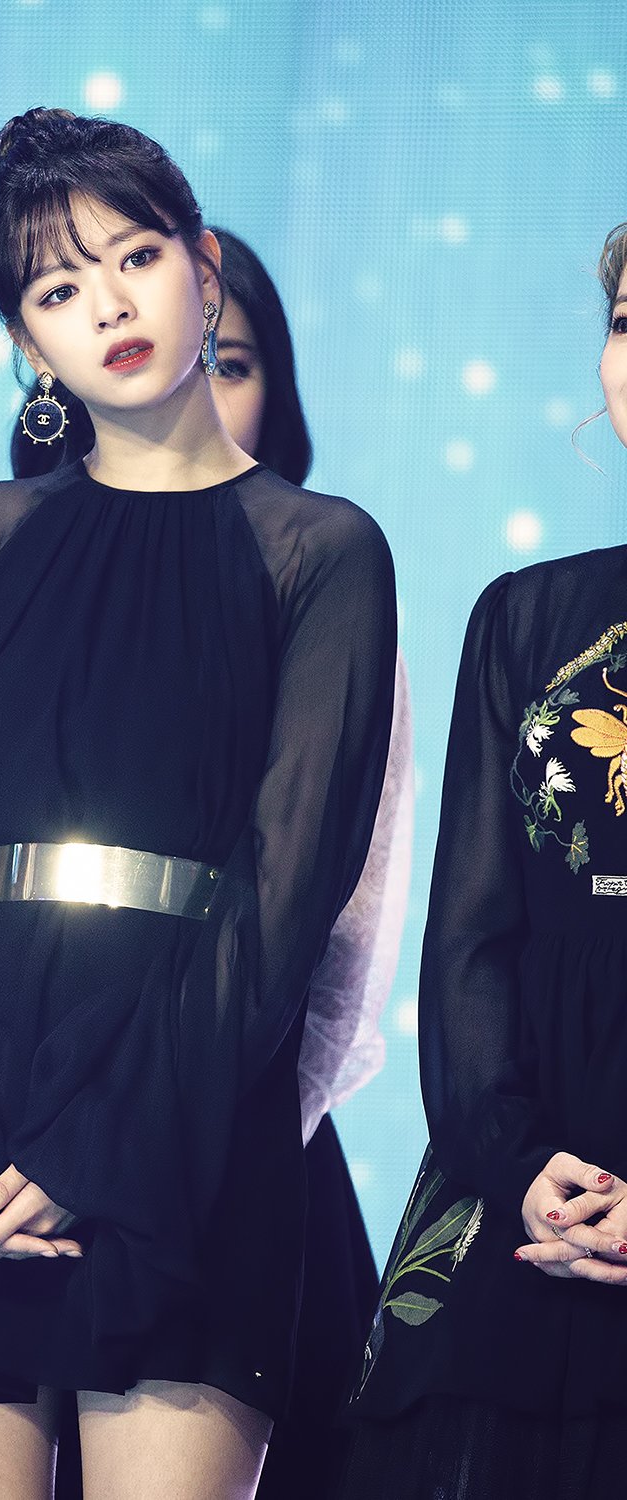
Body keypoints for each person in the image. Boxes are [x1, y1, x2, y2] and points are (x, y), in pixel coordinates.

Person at [0, 107, 396, 1500]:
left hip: (187, 1123)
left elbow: (281, 906)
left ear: (204, 271)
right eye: (58, 288)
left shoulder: (322, 552)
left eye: (134, 258)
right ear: (24, 338)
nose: (108, 306)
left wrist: (97, 1149)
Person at [11, 227, 414, 1500]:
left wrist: (188, 1136)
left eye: (230, 361)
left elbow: (342, 938)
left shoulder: (320, 580)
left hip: (229, 1131)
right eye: (63, 291)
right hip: (7, 1110)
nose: (179, 367)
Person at [336, 222, 627, 1499]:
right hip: (526, 1189)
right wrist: (515, 1165)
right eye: (626, 321)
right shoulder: (525, 615)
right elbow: (470, 937)